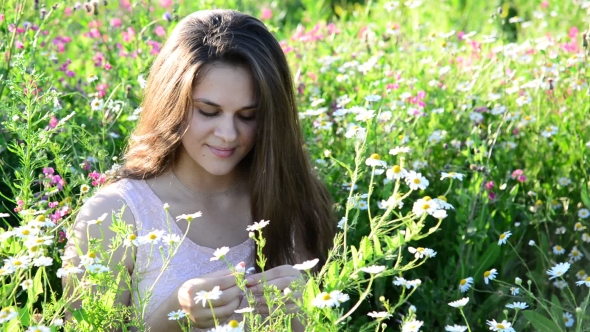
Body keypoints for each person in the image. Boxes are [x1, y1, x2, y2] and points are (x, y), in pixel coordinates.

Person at [62, 9, 336, 331]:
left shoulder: (293, 201)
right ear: (171, 103)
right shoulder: (115, 215)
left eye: (248, 116)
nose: (229, 134)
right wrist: (175, 316)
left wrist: (304, 316)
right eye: (209, 111)